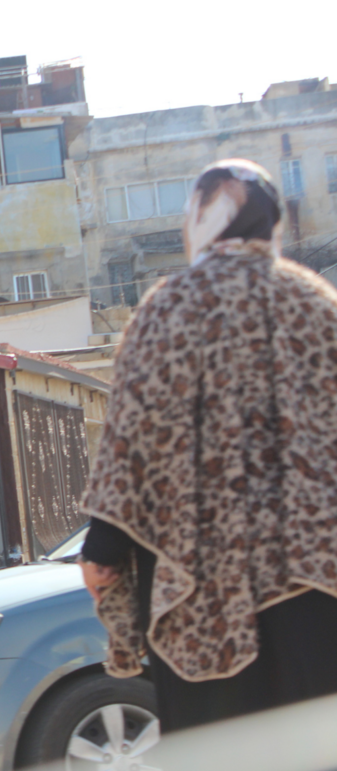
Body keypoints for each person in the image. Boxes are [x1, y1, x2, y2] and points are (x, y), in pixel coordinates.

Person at [80, 158, 337, 740]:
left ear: (199, 219)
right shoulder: (320, 306)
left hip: (199, 584)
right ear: (273, 226)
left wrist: (104, 548)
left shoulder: (169, 308)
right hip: (318, 582)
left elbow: (131, 444)